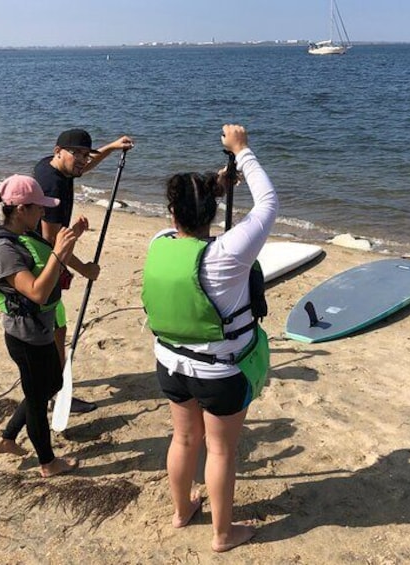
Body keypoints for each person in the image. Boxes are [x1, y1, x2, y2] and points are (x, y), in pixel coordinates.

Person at [141, 124, 277, 552]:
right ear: (212, 215)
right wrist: (243, 151)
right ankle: (223, 534)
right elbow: (269, 202)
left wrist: (219, 180)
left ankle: (182, 511)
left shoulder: (159, 242)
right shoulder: (228, 254)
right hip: (219, 371)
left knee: (182, 439)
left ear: (172, 214)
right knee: (220, 451)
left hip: (170, 364)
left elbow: (193, 223)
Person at [0, 174, 89, 477]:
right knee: (39, 399)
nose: (44, 213)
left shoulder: (21, 234)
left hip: (37, 330)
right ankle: (47, 463)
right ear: (21, 209)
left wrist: (70, 240)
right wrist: (58, 252)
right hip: (24, 336)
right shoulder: (3, 250)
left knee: (51, 384)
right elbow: (37, 291)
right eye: (39, 207)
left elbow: (48, 264)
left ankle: (7, 439)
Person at [33, 128, 134, 413]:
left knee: (54, 327)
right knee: (56, 329)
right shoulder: (51, 185)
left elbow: (83, 168)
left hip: (45, 255)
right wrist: (85, 268)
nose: (81, 160)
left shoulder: (52, 165)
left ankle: (53, 381)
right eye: (75, 154)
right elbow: (53, 241)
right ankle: (57, 390)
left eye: (84, 154)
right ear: (58, 151)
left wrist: (112, 147)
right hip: (44, 261)